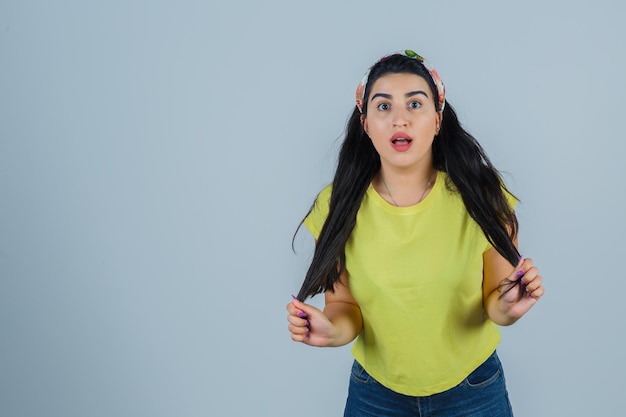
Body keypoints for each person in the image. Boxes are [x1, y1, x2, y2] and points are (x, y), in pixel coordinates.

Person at [286, 50, 544, 417]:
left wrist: (507, 307)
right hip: (375, 395)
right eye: (383, 107)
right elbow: (343, 308)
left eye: (415, 104)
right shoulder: (336, 206)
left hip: (473, 391)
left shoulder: (482, 197)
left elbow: (497, 301)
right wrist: (330, 331)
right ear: (365, 124)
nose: (400, 120)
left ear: (437, 120)